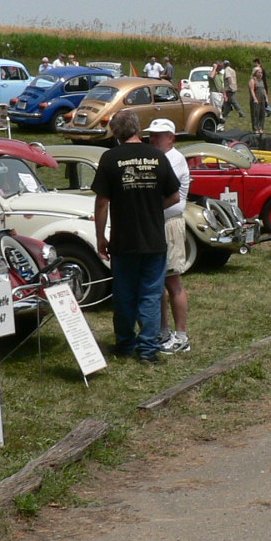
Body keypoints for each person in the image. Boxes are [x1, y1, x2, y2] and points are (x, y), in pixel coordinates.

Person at [92, 111, 180, 362]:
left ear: (116, 133)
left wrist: (100, 236)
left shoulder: (110, 158)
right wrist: (153, 207)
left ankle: (125, 344)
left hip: (124, 239)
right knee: (151, 294)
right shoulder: (158, 157)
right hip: (153, 238)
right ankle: (148, 350)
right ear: (138, 129)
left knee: (124, 294)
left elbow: (102, 202)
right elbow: (175, 196)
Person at [143, 118, 192, 355]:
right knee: (158, 280)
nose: (153, 139)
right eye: (151, 135)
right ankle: (163, 330)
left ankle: (181, 335)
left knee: (173, 280)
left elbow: (163, 192)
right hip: (158, 222)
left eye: (159, 135)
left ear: (171, 138)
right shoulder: (159, 158)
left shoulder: (174, 159)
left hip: (169, 223)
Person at [249, 59, 269, 132]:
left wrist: (266, 98)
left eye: (261, 72)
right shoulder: (252, 80)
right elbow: (252, 90)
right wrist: (255, 99)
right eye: (259, 72)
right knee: (255, 114)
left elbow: (264, 90)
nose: (260, 74)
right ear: (255, 73)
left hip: (262, 99)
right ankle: (255, 128)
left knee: (262, 114)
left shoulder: (261, 81)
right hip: (256, 99)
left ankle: (261, 128)